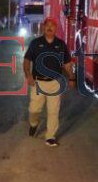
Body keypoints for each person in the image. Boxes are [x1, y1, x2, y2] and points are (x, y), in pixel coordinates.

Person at [24, 18, 73, 146]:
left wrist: (72, 77)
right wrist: (28, 75)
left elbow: (67, 63)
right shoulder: (35, 43)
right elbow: (27, 60)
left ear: (56, 28)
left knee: (53, 111)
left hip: (55, 83)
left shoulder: (61, 44)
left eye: (52, 25)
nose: (50, 28)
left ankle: (50, 136)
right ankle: (34, 124)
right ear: (43, 27)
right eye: (47, 25)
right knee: (34, 110)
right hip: (38, 83)